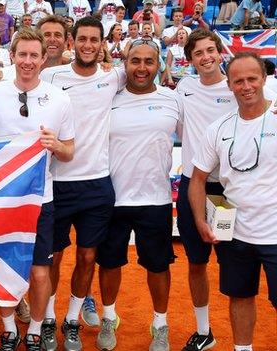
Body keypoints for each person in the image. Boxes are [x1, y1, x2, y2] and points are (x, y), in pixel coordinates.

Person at [39, 16, 124, 351]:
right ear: (73, 42)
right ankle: (47, 319)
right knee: (52, 258)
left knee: (88, 256)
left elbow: (147, 72)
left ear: (102, 44)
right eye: (83, 39)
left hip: (97, 184)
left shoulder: (113, 76)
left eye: (95, 40)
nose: (88, 45)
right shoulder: (50, 75)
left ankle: (71, 320)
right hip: (56, 183)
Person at [0, 29, 76, 351]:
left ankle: (36, 329)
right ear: (12, 57)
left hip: (42, 200)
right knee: (2, 268)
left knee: (40, 272)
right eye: (21, 55)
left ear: (43, 58)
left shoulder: (60, 98)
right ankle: (9, 328)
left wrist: (56, 146)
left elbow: (69, 151)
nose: (27, 61)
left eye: (33, 56)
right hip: (1, 201)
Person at [96, 38, 182, 351]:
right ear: (125, 63)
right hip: (112, 198)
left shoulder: (172, 100)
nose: (142, 67)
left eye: (149, 61)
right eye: (135, 60)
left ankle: (160, 324)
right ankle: (108, 317)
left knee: (158, 266)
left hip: (156, 200)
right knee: (109, 263)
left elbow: (193, 139)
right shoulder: (109, 98)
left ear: (159, 64)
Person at [189, 51, 277, 351]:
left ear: (265, 79)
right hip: (236, 235)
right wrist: (201, 221)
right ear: (229, 85)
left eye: (252, 78)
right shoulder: (219, 129)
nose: (246, 86)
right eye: (238, 81)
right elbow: (197, 179)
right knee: (240, 296)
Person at [174, 28, 234, 351]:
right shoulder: (184, 88)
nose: (206, 57)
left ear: (219, 51)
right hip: (192, 188)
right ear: (191, 60)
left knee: (234, 263)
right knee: (196, 263)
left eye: (211, 50)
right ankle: (204, 331)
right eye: (199, 53)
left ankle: (242, 339)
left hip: (228, 191)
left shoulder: (237, 87)